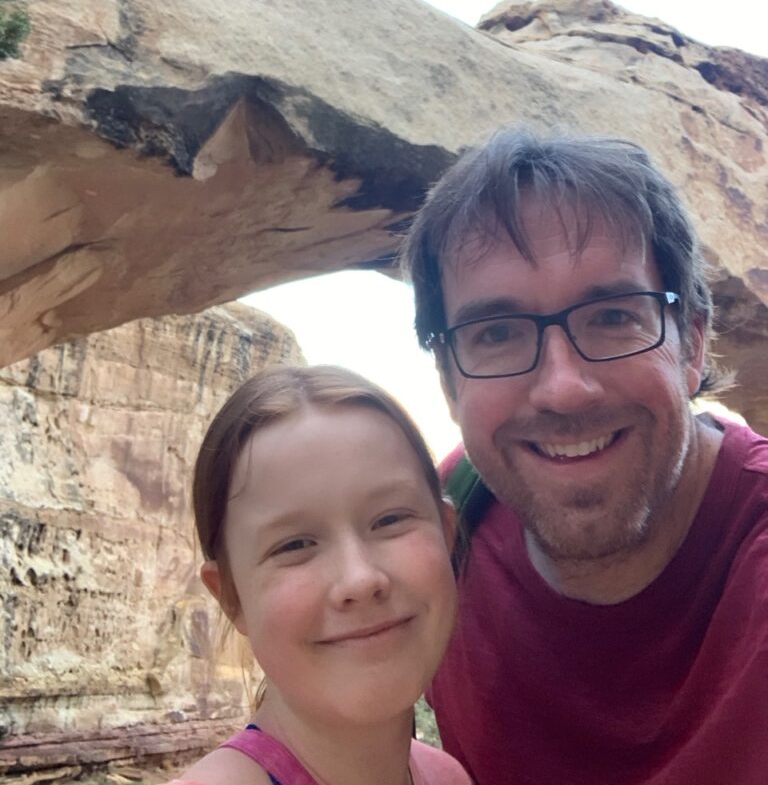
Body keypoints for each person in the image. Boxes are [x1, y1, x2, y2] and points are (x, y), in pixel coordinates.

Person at [402, 128, 768, 785]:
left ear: (690, 344)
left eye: (612, 317)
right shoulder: (440, 522)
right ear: (449, 382)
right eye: (498, 334)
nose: (563, 387)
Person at [168, 365, 471, 785]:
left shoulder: (447, 777)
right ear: (231, 597)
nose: (360, 579)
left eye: (390, 519)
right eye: (294, 545)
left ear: (447, 535)